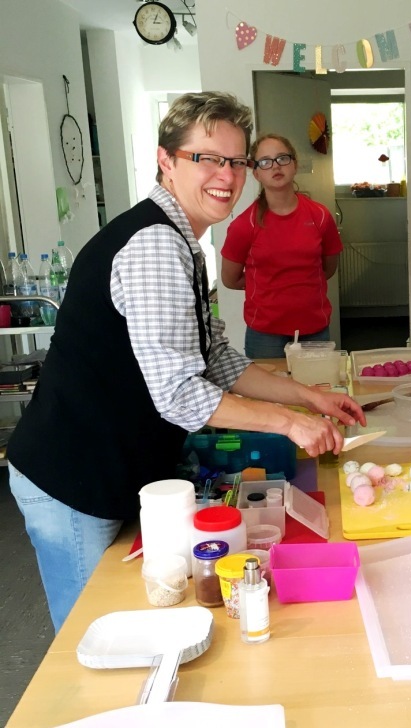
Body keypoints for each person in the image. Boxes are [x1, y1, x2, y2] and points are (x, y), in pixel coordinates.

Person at [6, 92, 365, 633]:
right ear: (166, 159)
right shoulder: (153, 243)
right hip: (73, 475)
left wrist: (308, 396)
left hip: (113, 469)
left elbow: (214, 357)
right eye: (208, 158)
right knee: (95, 634)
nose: (228, 174)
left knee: (129, 618)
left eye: (237, 161)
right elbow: (180, 392)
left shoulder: (181, 240)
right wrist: (291, 423)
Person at [220, 133, 342, 359]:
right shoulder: (244, 225)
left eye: (282, 158)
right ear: (256, 172)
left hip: (314, 329)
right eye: (265, 162)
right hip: (265, 334)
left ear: (294, 164)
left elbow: (327, 269)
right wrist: (268, 285)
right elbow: (230, 279)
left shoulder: (320, 216)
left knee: (316, 391)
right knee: (269, 395)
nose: (275, 166)